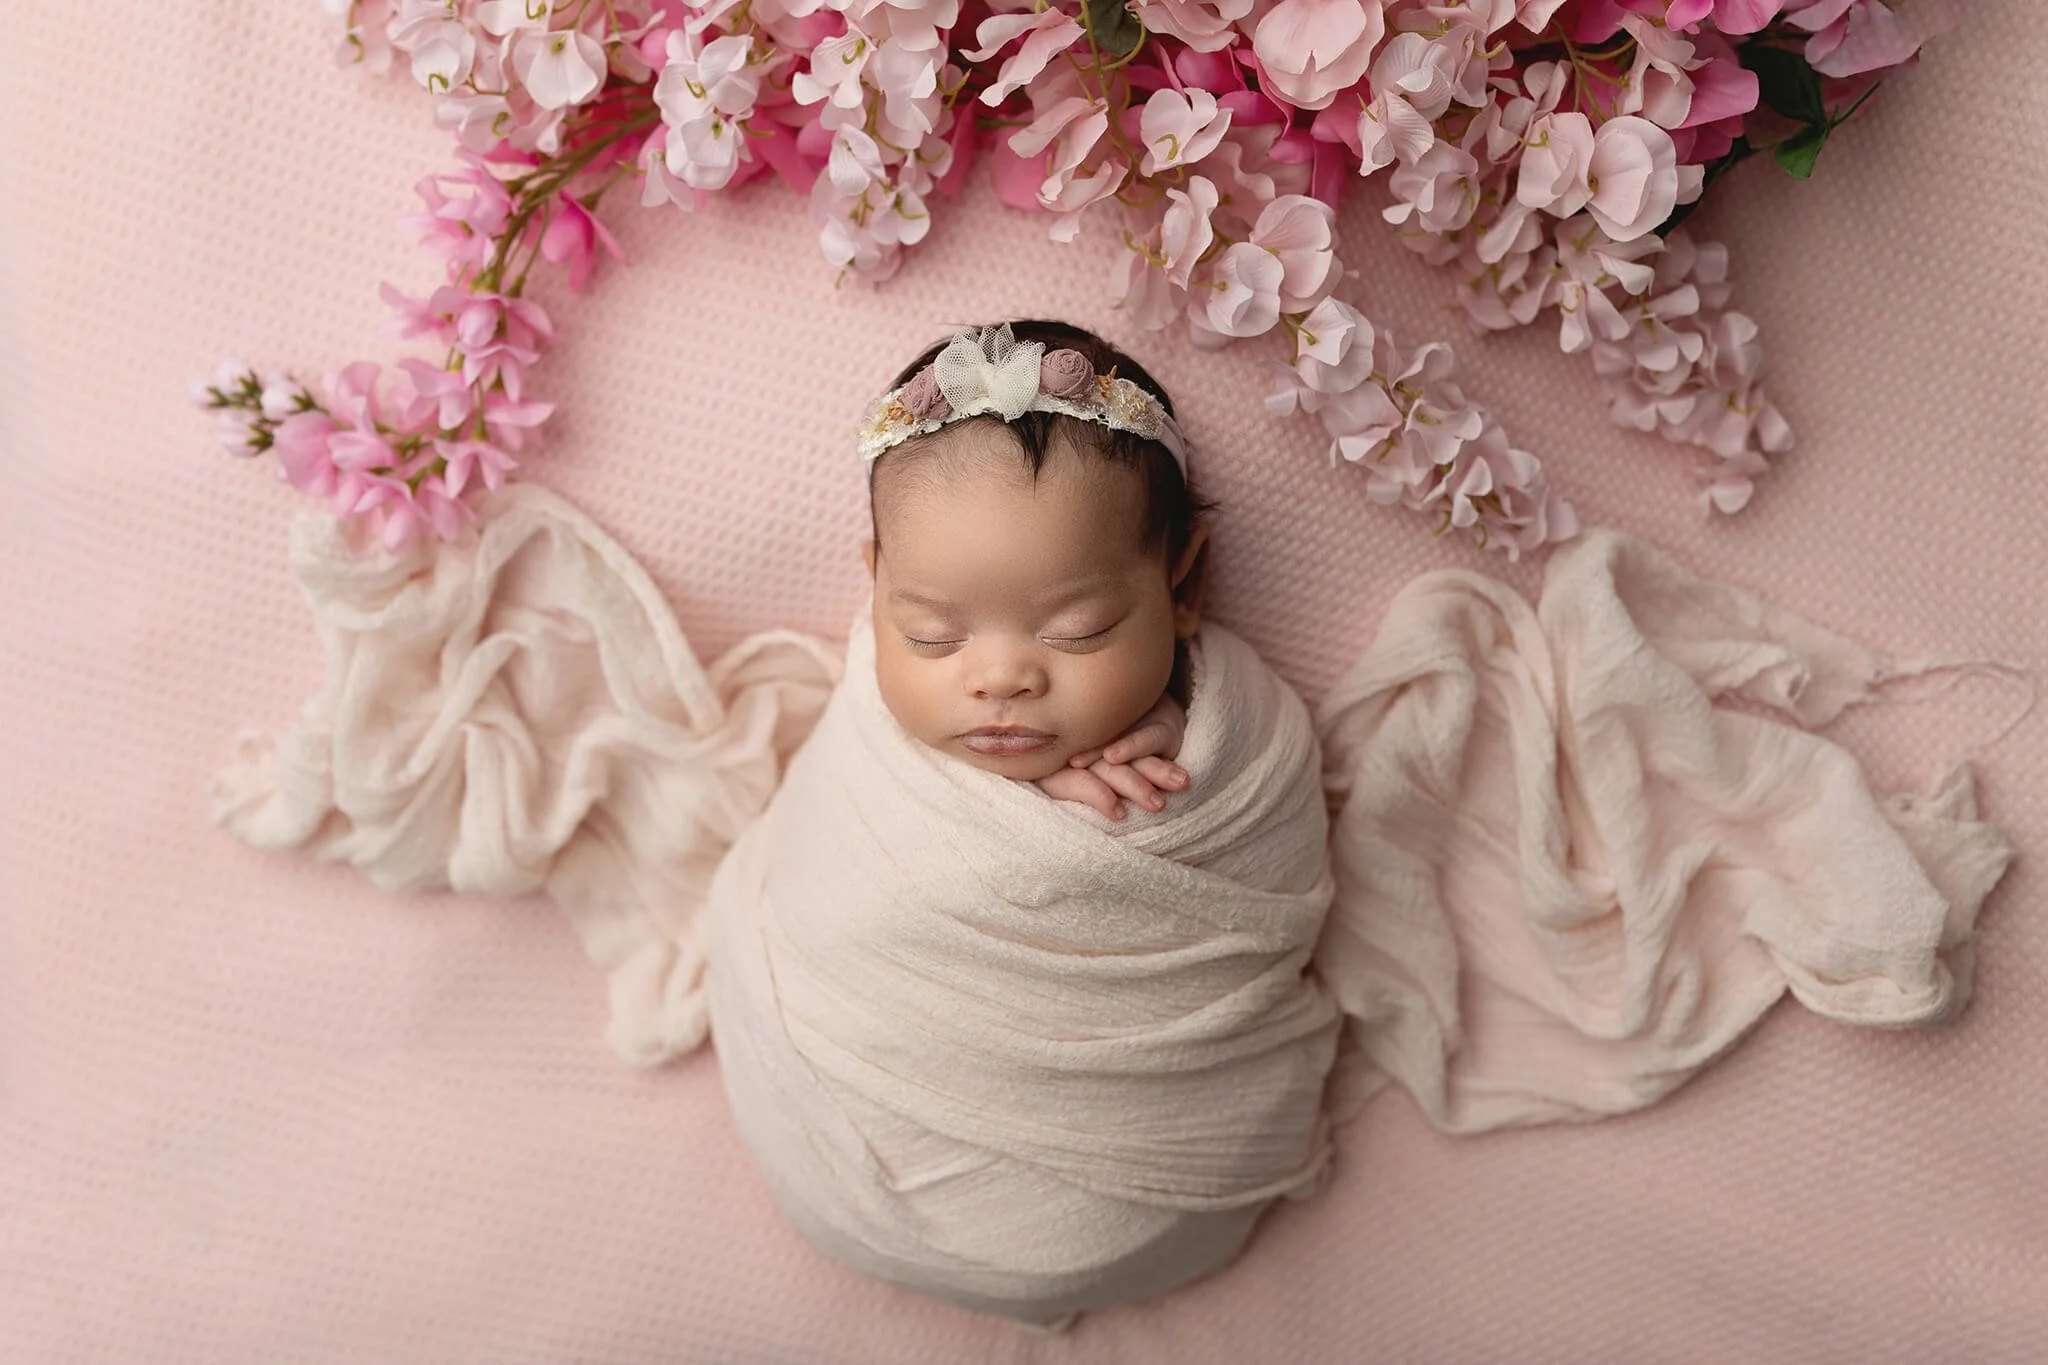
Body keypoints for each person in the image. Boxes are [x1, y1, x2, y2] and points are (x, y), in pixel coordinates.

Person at [859, 319, 1216, 822]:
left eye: (1077, 631)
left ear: (1183, 588)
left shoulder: (1224, 714)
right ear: (877, 585)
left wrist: (1189, 736)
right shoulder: (854, 744)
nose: (1001, 680)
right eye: (931, 634)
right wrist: (1037, 792)